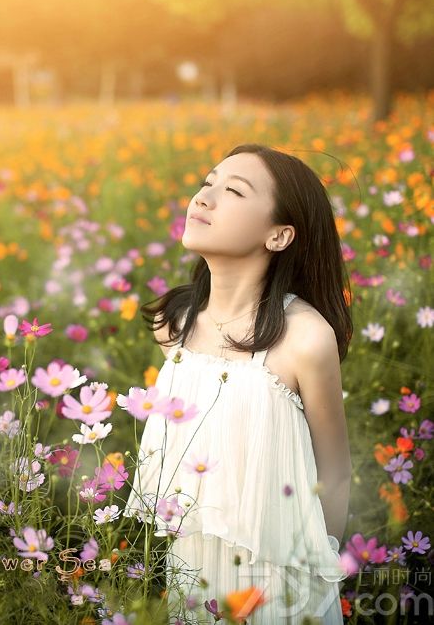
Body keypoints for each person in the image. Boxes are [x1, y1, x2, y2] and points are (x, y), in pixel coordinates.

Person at [122, 144, 353, 624]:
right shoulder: (176, 323)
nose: (204, 197)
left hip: (281, 582)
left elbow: (334, 476)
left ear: (279, 235)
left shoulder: (306, 339)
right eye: (208, 183)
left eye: (233, 191)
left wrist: (310, 581)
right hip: (194, 571)